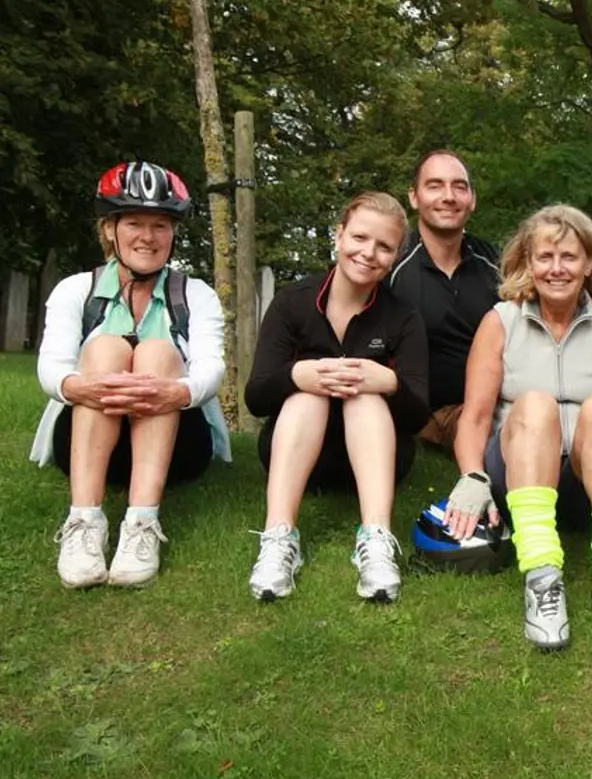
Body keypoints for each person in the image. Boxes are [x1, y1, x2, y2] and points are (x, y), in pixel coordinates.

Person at [446, 205, 592, 652]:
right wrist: (471, 476)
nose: (557, 268)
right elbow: (476, 416)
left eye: (569, 257)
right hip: (518, 476)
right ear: (527, 262)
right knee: (536, 403)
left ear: (589, 263)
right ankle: (542, 579)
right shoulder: (499, 321)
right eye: (545, 256)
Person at [31, 160, 231, 589]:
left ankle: (142, 524)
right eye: (135, 223)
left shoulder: (196, 294)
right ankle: (83, 522)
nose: (148, 237)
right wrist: (81, 385)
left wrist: (174, 393)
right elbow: (51, 366)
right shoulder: (74, 289)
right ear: (109, 230)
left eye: (161, 225)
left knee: (158, 352)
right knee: (104, 347)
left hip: (178, 446)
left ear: (174, 232)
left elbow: (212, 368)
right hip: (85, 440)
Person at [244, 192, 431, 603]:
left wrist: (388, 382)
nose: (369, 253)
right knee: (307, 393)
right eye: (360, 238)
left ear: (397, 255)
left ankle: (377, 541)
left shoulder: (404, 316)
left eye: (384, 247)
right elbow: (256, 398)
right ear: (339, 235)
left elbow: (419, 414)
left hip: (379, 458)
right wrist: (297, 374)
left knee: (364, 395)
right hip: (294, 453)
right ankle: (278, 539)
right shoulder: (292, 302)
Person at [387, 150, 500, 452]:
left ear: (472, 199)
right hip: (434, 414)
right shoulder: (389, 265)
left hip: (502, 402)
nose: (448, 196)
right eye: (435, 185)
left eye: (459, 186)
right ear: (414, 197)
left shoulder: (498, 264)